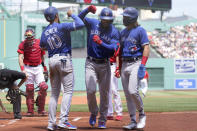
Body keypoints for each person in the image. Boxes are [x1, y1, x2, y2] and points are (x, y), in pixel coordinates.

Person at [40, 6, 84, 131]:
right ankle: (63, 120)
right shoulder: (62, 26)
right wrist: (72, 14)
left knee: (54, 94)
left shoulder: (44, 31)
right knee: (68, 91)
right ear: (56, 16)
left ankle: (51, 123)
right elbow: (80, 24)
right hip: (64, 59)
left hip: (52, 60)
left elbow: (42, 46)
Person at [78, 5, 120, 128]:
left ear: (112, 20)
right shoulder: (93, 23)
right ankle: (93, 112)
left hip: (105, 63)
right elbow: (79, 19)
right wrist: (87, 10)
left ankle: (102, 119)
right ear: (100, 18)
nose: (105, 22)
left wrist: (100, 42)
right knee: (90, 91)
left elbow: (113, 48)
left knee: (105, 93)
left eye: (108, 20)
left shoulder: (114, 31)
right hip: (90, 62)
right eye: (103, 19)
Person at [119, 7, 150, 130]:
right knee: (127, 95)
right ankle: (132, 121)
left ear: (132, 19)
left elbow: (146, 48)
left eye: (125, 17)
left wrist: (143, 65)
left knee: (133, 91)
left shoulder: (140, 30)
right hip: (124, 63)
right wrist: (118, 66)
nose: (123, 19)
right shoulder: (123, 32)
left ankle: (142, 115)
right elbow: (119, 51)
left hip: (136, 62)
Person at [17, 28, 49, 117]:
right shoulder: (22, 44)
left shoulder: (39, 43)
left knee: (44, 87)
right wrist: (23, 70)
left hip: (38, 67)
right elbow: (20, 57)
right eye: (27, 36)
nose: (28, 38)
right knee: (30, 89)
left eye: (30, 36)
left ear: (33, 36)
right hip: (28, 68)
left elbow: (42, 57)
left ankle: (41, 109)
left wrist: (45, 68)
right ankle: (30, 110)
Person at [107, 53, 123, 121]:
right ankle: (109, 113)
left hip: (112, 65)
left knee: (114, 90)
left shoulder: (115, 42)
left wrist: (117, 68)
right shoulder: (102, 42)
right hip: (103, 65)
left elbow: (117, 56)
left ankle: (119, 113)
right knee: (107, 91)